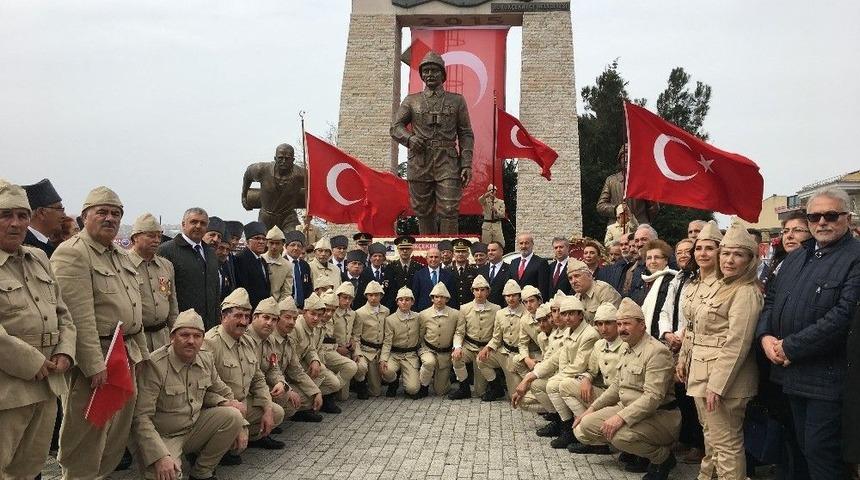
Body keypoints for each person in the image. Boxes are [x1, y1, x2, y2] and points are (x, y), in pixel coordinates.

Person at [757, 188, 860, 479]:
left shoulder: (855, 257)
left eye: (831, 215)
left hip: (828, 380)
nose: (822, 222)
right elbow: (772, 301)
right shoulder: (796, 257)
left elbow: (844, 316)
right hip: (791, 377)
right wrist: (766, 337)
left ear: (847, 217)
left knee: (823, 456)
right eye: (814, 216)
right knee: (801, 450)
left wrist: (790, 348)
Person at [51, 186, 148, 477]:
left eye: (116, 214)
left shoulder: (117, 255)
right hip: (97, 363)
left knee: (114, 440)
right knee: (84, 441)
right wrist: (94, 365)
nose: (110, 218)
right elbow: (77, 317)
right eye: (102, 212)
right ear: (84, 217)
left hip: (125, 356)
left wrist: (141, 356)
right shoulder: (73, 254)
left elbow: (134, 309)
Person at [0, 179, 75, 479]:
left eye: (22, 215)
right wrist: (32, 362)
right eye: (6, 215)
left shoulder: (39, 258)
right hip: (8, 391)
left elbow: (63, 314)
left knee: (29, 470)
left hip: (46, 388)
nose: (16, 223)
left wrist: (66, 351)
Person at [677, 222, 764, 480]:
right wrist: (684, 359)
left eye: (737, 254)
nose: (729, 260)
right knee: (713, 438)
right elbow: (695, 330)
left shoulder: (746, 291)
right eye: (726, 253)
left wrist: (717, 384)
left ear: (750, 259)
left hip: (726, 382)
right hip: (706, 374)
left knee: (727, 446)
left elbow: (737, 343)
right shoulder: (725, 286)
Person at [573, 298, 681, 480]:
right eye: (620, 324)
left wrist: (619, 418)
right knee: (584, 427)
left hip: (659, 416)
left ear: (642, 325)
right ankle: (637, 451)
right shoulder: (626, 347)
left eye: (627, 324)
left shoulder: (656, 352)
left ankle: (662, 458)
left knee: (618, 436)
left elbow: (653, 398)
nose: (622, 328)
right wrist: (591, 409)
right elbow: (617, 386)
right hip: (628, 409)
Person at [132, 309, 245, 480]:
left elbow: (223, 391)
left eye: (197, 336)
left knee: (233, 415)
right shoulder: (155, 365)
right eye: (184, 335)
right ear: (172, 337)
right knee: (168, 475)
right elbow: (141, 418)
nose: (191, 341)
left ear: (202, 340)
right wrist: (160, 456)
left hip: (193, 427)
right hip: (164, 436)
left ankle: (202, 472)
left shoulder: (206, 359)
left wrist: (241, 425)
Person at [390, 50, 474, 234]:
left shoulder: (457, 100)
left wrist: (466, 164)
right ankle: (428, 252)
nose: (429, 75)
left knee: (450, 208)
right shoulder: (412, 100)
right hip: (420, 160)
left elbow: (466, 133)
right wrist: (410, 138)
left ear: (443, 74)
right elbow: (395, 127)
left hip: (448, 160)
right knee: (422, 209)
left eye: (434, 71)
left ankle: (448, 253)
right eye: (425, 71)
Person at [203, 288, 285, 461]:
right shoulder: (210, 343)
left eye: (246, 316)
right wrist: (239, 422)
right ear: (224, 316)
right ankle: (212, 451)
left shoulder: (247, 341)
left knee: (276, 412)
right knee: (232, 419)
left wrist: (267, 407)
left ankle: (249, 439)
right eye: (238, 316)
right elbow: (204, 390)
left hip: (242, 402)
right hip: (219, 407)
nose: (243, 321)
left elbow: (258, 378)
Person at [657, 237, 703, 463]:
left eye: (688, 251)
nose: (683, 255)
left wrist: (681, 335)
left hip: (689, 342)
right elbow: (666, 310)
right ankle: (685, 437)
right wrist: (667, 333)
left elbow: (694, 314)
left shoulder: (699, 280)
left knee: (693, 395)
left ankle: (698, 443)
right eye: (679, 252)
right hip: (673, 341)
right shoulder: (676, 278)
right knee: (680, 394)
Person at [560, 303, 626, 455]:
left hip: (622, 398)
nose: (604, 328)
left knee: (582, 429)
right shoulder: (599, 344)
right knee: (566, 385)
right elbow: (591, 370)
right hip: (605, 394)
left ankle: (621, 445)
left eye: (608, 323)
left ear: (617, 324)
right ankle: (595, 440)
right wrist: (586, 379)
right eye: (599, 324)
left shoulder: (625, 345)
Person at [543, 296, 601, 450]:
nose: (566, 318)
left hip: (587, 378)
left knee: (559, 384)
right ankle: (567, 428)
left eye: (571, 314)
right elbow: (562, 359)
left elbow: (580, 366)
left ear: (581, 314)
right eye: (564, 314)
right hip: (574, 375)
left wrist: (560, 376)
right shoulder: (569, 331)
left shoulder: (589, 334)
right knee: (553, 385)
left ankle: (586, 432)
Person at [158, 207, 221, 329]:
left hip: (209, 326)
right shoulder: (167, 250)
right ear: (183, 224)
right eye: (194, 222)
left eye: (203, 223)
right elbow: (163, 293)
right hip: (182, 326)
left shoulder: (211, 253)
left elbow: (215, 290)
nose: (198, 226)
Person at [128, 213, 179, 351]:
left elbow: (172, 301)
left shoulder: (166, 265)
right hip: (136, 339)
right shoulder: (123, 264)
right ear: (135, 237)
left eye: (159, 236)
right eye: (151, 236)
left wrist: (175, 332)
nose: (156, 240)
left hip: (163, 336)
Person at [271, 296, 324, 422]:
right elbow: (269, 373)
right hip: (269, 387)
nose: (291, 322)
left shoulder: (287, 340)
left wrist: (316, 392)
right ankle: (266, 424)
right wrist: (288, 390)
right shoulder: (269, 340)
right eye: (287, 317)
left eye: (294, 318)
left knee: (311, 396)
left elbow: (297, 370)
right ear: (278, 318)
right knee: (288, 402)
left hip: (281, 383)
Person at [289, 292, 343, 413]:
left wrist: (315, 360)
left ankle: (313, 400)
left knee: (334, 384)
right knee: (309, 396)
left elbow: (311, 348)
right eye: (312, 314)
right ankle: (301, 410)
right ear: (304, 312)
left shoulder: (312, 326)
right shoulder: (296, 328)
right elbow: (291, 361)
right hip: (292, 368)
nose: (315, 318)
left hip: (305, 363)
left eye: (319, 315)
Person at [450, 275, 501, 400]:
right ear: (472, 291)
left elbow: (497, 334)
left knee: (479, 392)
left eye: (483, 290)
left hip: (485, 348)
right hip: (469, 346)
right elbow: (459, 332)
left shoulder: (496, 309)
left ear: (488, 291)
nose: (479, 293)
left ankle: (496, 387)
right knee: (456, 357)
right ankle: (464, 388)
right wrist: (457, 347)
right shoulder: (465, 308)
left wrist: (489, 348)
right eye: (476, 290)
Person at [476, 280, 526, 402]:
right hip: (504, 353)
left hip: (519, 357)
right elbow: (497, 337)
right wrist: (487, 348)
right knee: (481, 359)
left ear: (519, 296)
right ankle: (496, 387)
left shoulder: (527, 312)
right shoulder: (500, 313)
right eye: (508, 296)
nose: (511, 298)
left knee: (516, 398)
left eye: (514, 295)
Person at [241, 143, 306, 231]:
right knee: (263, 240)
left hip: (288, 216)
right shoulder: (261, 169)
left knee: (293, 239)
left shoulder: (302, 175)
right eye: (280, 158)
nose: (283, 161)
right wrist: (244, 196)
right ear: (275, 158)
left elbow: (316, 188)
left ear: (293, 160)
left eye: (287, 158)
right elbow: (248, 175)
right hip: (266, 216)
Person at [596, 144, 659, 226]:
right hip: (617, 227)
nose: (626, 159)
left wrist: (645, 221)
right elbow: (600, 206)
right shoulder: (611, 180)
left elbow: (654, 208)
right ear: (619, 160)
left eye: (629, 156)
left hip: (640, 226)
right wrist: (616, 209)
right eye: (623, 157)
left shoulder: (644, 180)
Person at [417, 282, 461, 397]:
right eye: (436, 297)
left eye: (442, 297)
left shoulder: (455, 314)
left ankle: (445, 379)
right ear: (432, 298)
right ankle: (423, 386)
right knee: (429, 362)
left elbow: (458, 333)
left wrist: (457, 347)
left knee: (440, 391)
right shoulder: (423, 314)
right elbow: (420, 335)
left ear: (447, 299)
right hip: (428, 349)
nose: (439, 300)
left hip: (445, 353)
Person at [318, 289, 357, 409]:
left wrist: (341, 347)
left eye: (332, 310)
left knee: (351, 367)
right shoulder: (313, 321)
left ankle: (327, 393)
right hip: (316, 357)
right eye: (326, 309)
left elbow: (333, 339)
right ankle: (319, 395)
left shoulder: (330, 321)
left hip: (329, 353)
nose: (329, 313)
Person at [381, 287, 422, 398]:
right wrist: (383, 359)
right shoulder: (390, 319)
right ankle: (393, 382)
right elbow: (387, 341)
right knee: (386, 370)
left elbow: (421, 337)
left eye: (407, 300)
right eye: (401, 300)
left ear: (412, 302)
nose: (404, 302)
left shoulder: (418, 317)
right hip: (394, 354)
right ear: (397, 302)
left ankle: (407, 380)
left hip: (410, 355)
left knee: (413, 389)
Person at [352, 280, 390, 399]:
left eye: (376, 295)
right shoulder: (360, 313)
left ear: (381, 296)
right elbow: (356, 336)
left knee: (376, 392)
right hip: (365, 350)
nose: (373, 298)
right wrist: (357, 353)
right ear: (366, 296)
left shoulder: (386, 311)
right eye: (370, 295)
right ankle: (360, 385)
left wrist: (384, 357)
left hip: (378, 351)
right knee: (361, 367)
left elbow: (387, 336)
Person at [640, 239, 678, 339]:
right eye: (649, 258)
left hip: (664, 337)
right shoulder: (644, 281)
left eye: (657, 257)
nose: (652, 261)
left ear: (665, 260)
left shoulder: (672, 280)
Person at [568, 259, 622, 325]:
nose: (573, 281)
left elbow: (607, 324)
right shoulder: (576, 297)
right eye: (570, 278)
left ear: (589, 275)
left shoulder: (604, 290)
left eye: (577, 276)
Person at [21, 178, 64, 257]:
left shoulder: (45, 244)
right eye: (59, 209)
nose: (63, 215)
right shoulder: (25, 246)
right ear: (41, 212)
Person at [331, 282, 359, 400]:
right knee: (338, 394)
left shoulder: (353, 314)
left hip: (347, 351)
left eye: (350, 298)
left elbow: (355, 334)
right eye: (344, 298)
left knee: (343, 397)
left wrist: (354, 344)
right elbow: (325, 336)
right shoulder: (331, 313)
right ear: (338, 297)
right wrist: (336, 347)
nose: (347, 301)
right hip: (333, 351)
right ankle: (329, 393)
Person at [234, 221, 271, 309]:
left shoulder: (263, 261)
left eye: (264, 239)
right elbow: (242, 288)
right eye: (257, 238)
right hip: (248, 309)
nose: (261, 242)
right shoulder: (241, 259)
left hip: (262, 309)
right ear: (247, 241)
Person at [513, 285, 545, 379]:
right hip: (540, 353)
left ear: (539, 300)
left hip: (553, 353)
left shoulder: (549, 313)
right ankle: (530, 382)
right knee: (517, 359)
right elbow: (522, 343)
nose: (528, 305)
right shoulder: (524, 320)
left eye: (532, 301)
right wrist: (527, 359)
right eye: (525, 302)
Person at [412, 247, 456, 311]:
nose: (433, 259)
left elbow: (452, 297)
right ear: (426, 258)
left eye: (436, 257)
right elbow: (415, 296)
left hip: (444, 312)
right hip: (423, 313)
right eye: (431, 257)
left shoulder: (448, 275)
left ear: (441, 259)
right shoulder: (419, 275)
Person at [385, 235, 422, 310]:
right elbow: (389, 292)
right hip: (394, 309)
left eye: (407, 248)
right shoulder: (390, 268)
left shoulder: (419, 268)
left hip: (414, 309)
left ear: (412, 250)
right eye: (402, 248)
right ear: (398, 250)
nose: (405, 251)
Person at [509, 233, 548, 299]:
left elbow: (543, 288)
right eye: (521, 243)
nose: (524, 246)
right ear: (518, 245)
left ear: (532, 244)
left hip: (532, 303)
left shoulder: (541, 263)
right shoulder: (513, 262)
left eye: (526, 243)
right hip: (515, 303)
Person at [262, 225, 294, 301]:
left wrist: (278, 307)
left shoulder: (287, 265)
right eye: (271, 243)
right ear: (267, 243)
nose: (274, 246)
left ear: (283, 245)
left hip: (277, 305)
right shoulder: (259, 259)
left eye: (277, 243)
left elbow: (286, 291)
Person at [283, 230, 312, 309]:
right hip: (286, 307)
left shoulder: (305, 265)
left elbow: (308, 287)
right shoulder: (282, 263)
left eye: (299, 246)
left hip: (303, 308)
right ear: (286, 247)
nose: (296, 248)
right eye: (293, 245)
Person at [447, 238, 478, 308]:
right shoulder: (446, 272)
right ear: (453, 254)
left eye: (463, 251)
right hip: (451, 309)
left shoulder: (474, 272)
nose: (460, 254)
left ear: (468, 254)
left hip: (469, 309)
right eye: (458, 251)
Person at [480, 241, 512, 307]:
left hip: (502, 310)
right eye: (488, 250)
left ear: (501, 252)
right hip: (484, 310)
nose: (490, 253)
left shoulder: (510, 269)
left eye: (493, 250)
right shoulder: (481, 270)